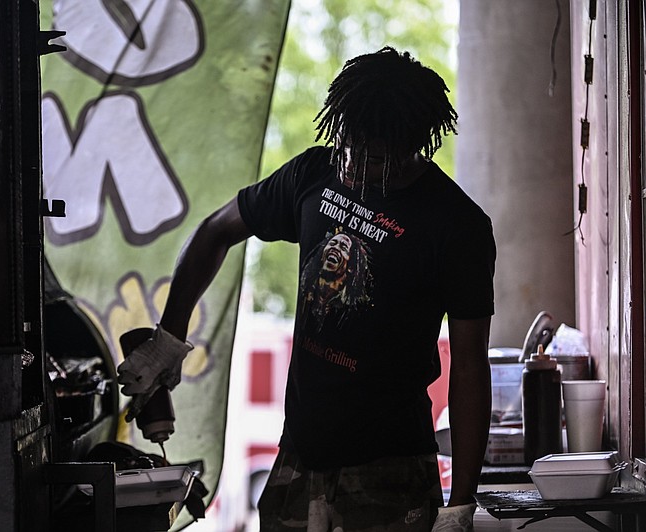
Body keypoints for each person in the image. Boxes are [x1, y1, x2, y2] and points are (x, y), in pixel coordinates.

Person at [118, 46, 496, 531]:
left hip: (391, 475)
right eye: (352, 148)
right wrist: (167, 340)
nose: (357, 167)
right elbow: (214, 231)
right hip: (298, 462)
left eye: (376, 158)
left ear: (413, 145)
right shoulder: (315, 173)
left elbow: (469, 365)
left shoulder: (457, 225)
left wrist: (461, 503)